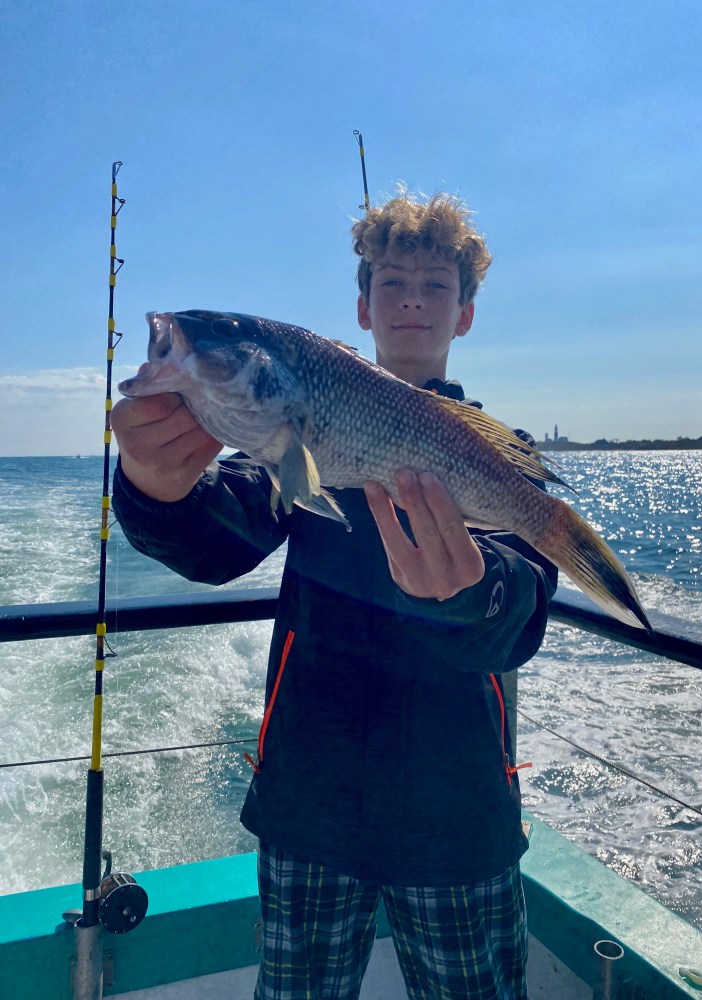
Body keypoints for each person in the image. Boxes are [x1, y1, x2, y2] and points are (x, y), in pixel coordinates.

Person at [111, 192, 557, 1000]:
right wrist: (156, 489)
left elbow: (518, 617)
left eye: (435, 285)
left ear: (464, 315)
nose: (412, 300)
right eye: (391, 283)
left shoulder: (503, 459)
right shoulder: (296, 441)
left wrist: (471, 592)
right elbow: (216, 541)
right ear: (362, 307)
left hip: (457, 818)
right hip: (307, 809)